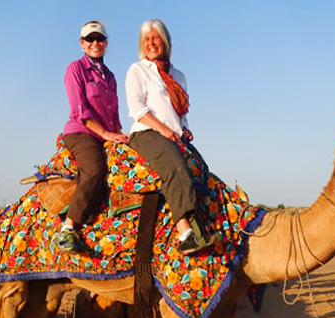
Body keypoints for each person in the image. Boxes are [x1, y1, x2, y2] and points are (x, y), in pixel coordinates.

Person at [125, 19, 217, 255]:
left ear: (165, 41)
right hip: (146, 133)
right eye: (146, 39)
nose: (151, 43)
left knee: (202, 172)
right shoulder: (138, 70)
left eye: (155, 38)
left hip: (173, 135)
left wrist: (184, 128)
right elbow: (137, 107)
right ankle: (185, 232)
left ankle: (206, 225)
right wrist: (163, 128)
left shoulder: (178, 75)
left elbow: (180, 111)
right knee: (175, 167)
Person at [54, 21, 128, 253]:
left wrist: (120, 134)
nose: (95, 43)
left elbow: (114, 113)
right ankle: (68, 227)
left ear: (106, 43)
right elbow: (80, 111)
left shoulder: (111, 77)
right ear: (82, 43)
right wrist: (106, 133)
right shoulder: (75, 69)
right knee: (94, 169)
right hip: (82, 132)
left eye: (100, 39)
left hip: (106, 134)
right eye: (90, 39)